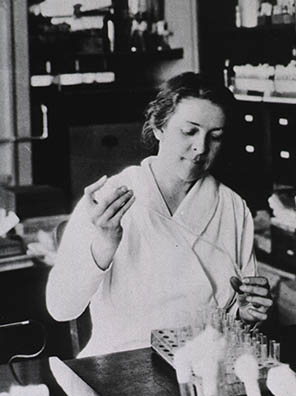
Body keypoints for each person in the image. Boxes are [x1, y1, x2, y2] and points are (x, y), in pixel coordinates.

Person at [46, 72, 274, 357]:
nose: (200, 148)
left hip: (205, 364)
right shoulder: (111, 198)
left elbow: (238, 313)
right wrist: (104, 243)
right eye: (189, 131)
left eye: (215, 137)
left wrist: (248, 313)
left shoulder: (232, 207)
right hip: (123, 362)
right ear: (158, 127)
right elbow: (60, 307)